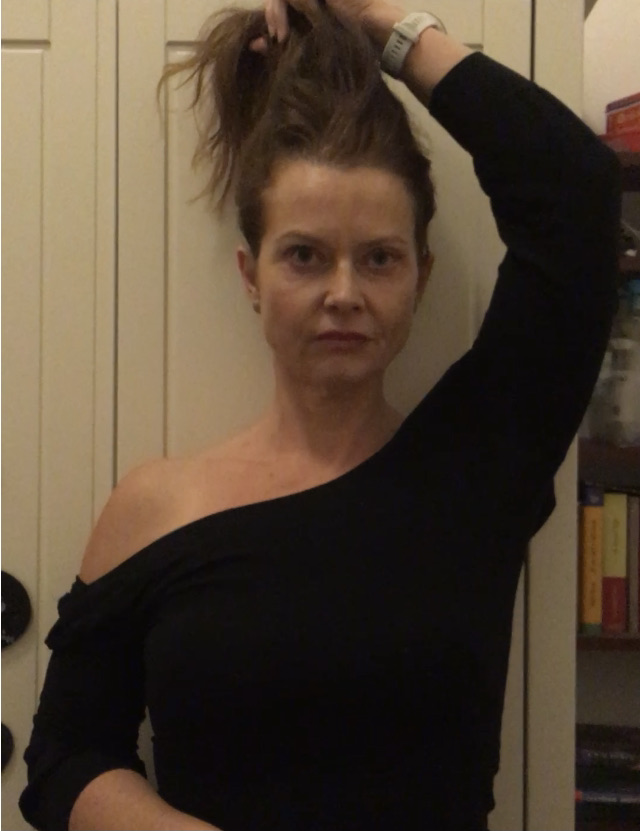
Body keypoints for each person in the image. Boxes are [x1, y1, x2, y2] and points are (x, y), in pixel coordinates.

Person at [19, 0, 621, 829]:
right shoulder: (152, 509)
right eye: (304, 255)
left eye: (379, 258)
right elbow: (64, 755)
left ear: (420, 276)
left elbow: (575, 191)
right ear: (251, 274)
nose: (344, 292)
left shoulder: (479, 464)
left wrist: (376, 20)